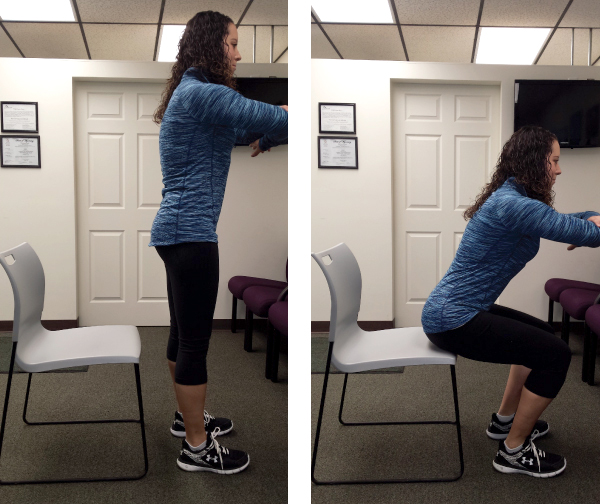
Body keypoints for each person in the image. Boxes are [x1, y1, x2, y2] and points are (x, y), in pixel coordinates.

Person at [149, 11, 287, 474]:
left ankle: (186, 419)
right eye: (234, 43)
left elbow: (246, 130)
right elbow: (268, 116)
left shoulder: (193, 95)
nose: (239, 54)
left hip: (178, 232)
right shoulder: (203, 93)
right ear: (213, 45)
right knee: (194, 342)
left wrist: (269, 136)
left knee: (181, 334)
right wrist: (287, 114)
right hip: (190, 235)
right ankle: (196, 446)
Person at [421, 125, 600, 478]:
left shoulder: (513, 196)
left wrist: (591, 219)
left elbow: (568, 222)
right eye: (554, 161)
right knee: (556, 354)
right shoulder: (515, 205)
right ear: (534, 161)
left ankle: (504, 422)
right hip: (453, 319)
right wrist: (592, 228)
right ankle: (513, 451)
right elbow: (581, 232)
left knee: (543, 333)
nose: (559, 170)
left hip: (458, 310)